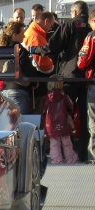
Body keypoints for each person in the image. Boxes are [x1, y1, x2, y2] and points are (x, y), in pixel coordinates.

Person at [30, 1, 91, 161]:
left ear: (74, 12)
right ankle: (84, 154)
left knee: (63, 115)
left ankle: (66, 154)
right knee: (85, 118)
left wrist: (33, 50)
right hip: (87, 78)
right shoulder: (91, 27)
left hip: (69, 76)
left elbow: (53, 46)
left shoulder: (70, 25)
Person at [0, 21, 41, 115]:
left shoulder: (1, 49)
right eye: (22, 33)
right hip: (18, 90)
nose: (24, 36)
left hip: (4, 90)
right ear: (14, 35)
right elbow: (27, 68)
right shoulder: (20, 50)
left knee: (9, 124)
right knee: (20, 123)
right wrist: (35, 81)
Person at [41, 76, 78, 164]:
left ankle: (57, 160)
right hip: (64, 124)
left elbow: (43, 111)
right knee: (67, 143)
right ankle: (70, 159)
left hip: (51, 125)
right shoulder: (64, 97)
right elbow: (70, 108)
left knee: (54, 144)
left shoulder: (46, 98)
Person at [77, 9, 95, 163]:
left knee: (93, 122)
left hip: (93, 82)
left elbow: (83, 60)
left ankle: (93, 157)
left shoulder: (91, 36)